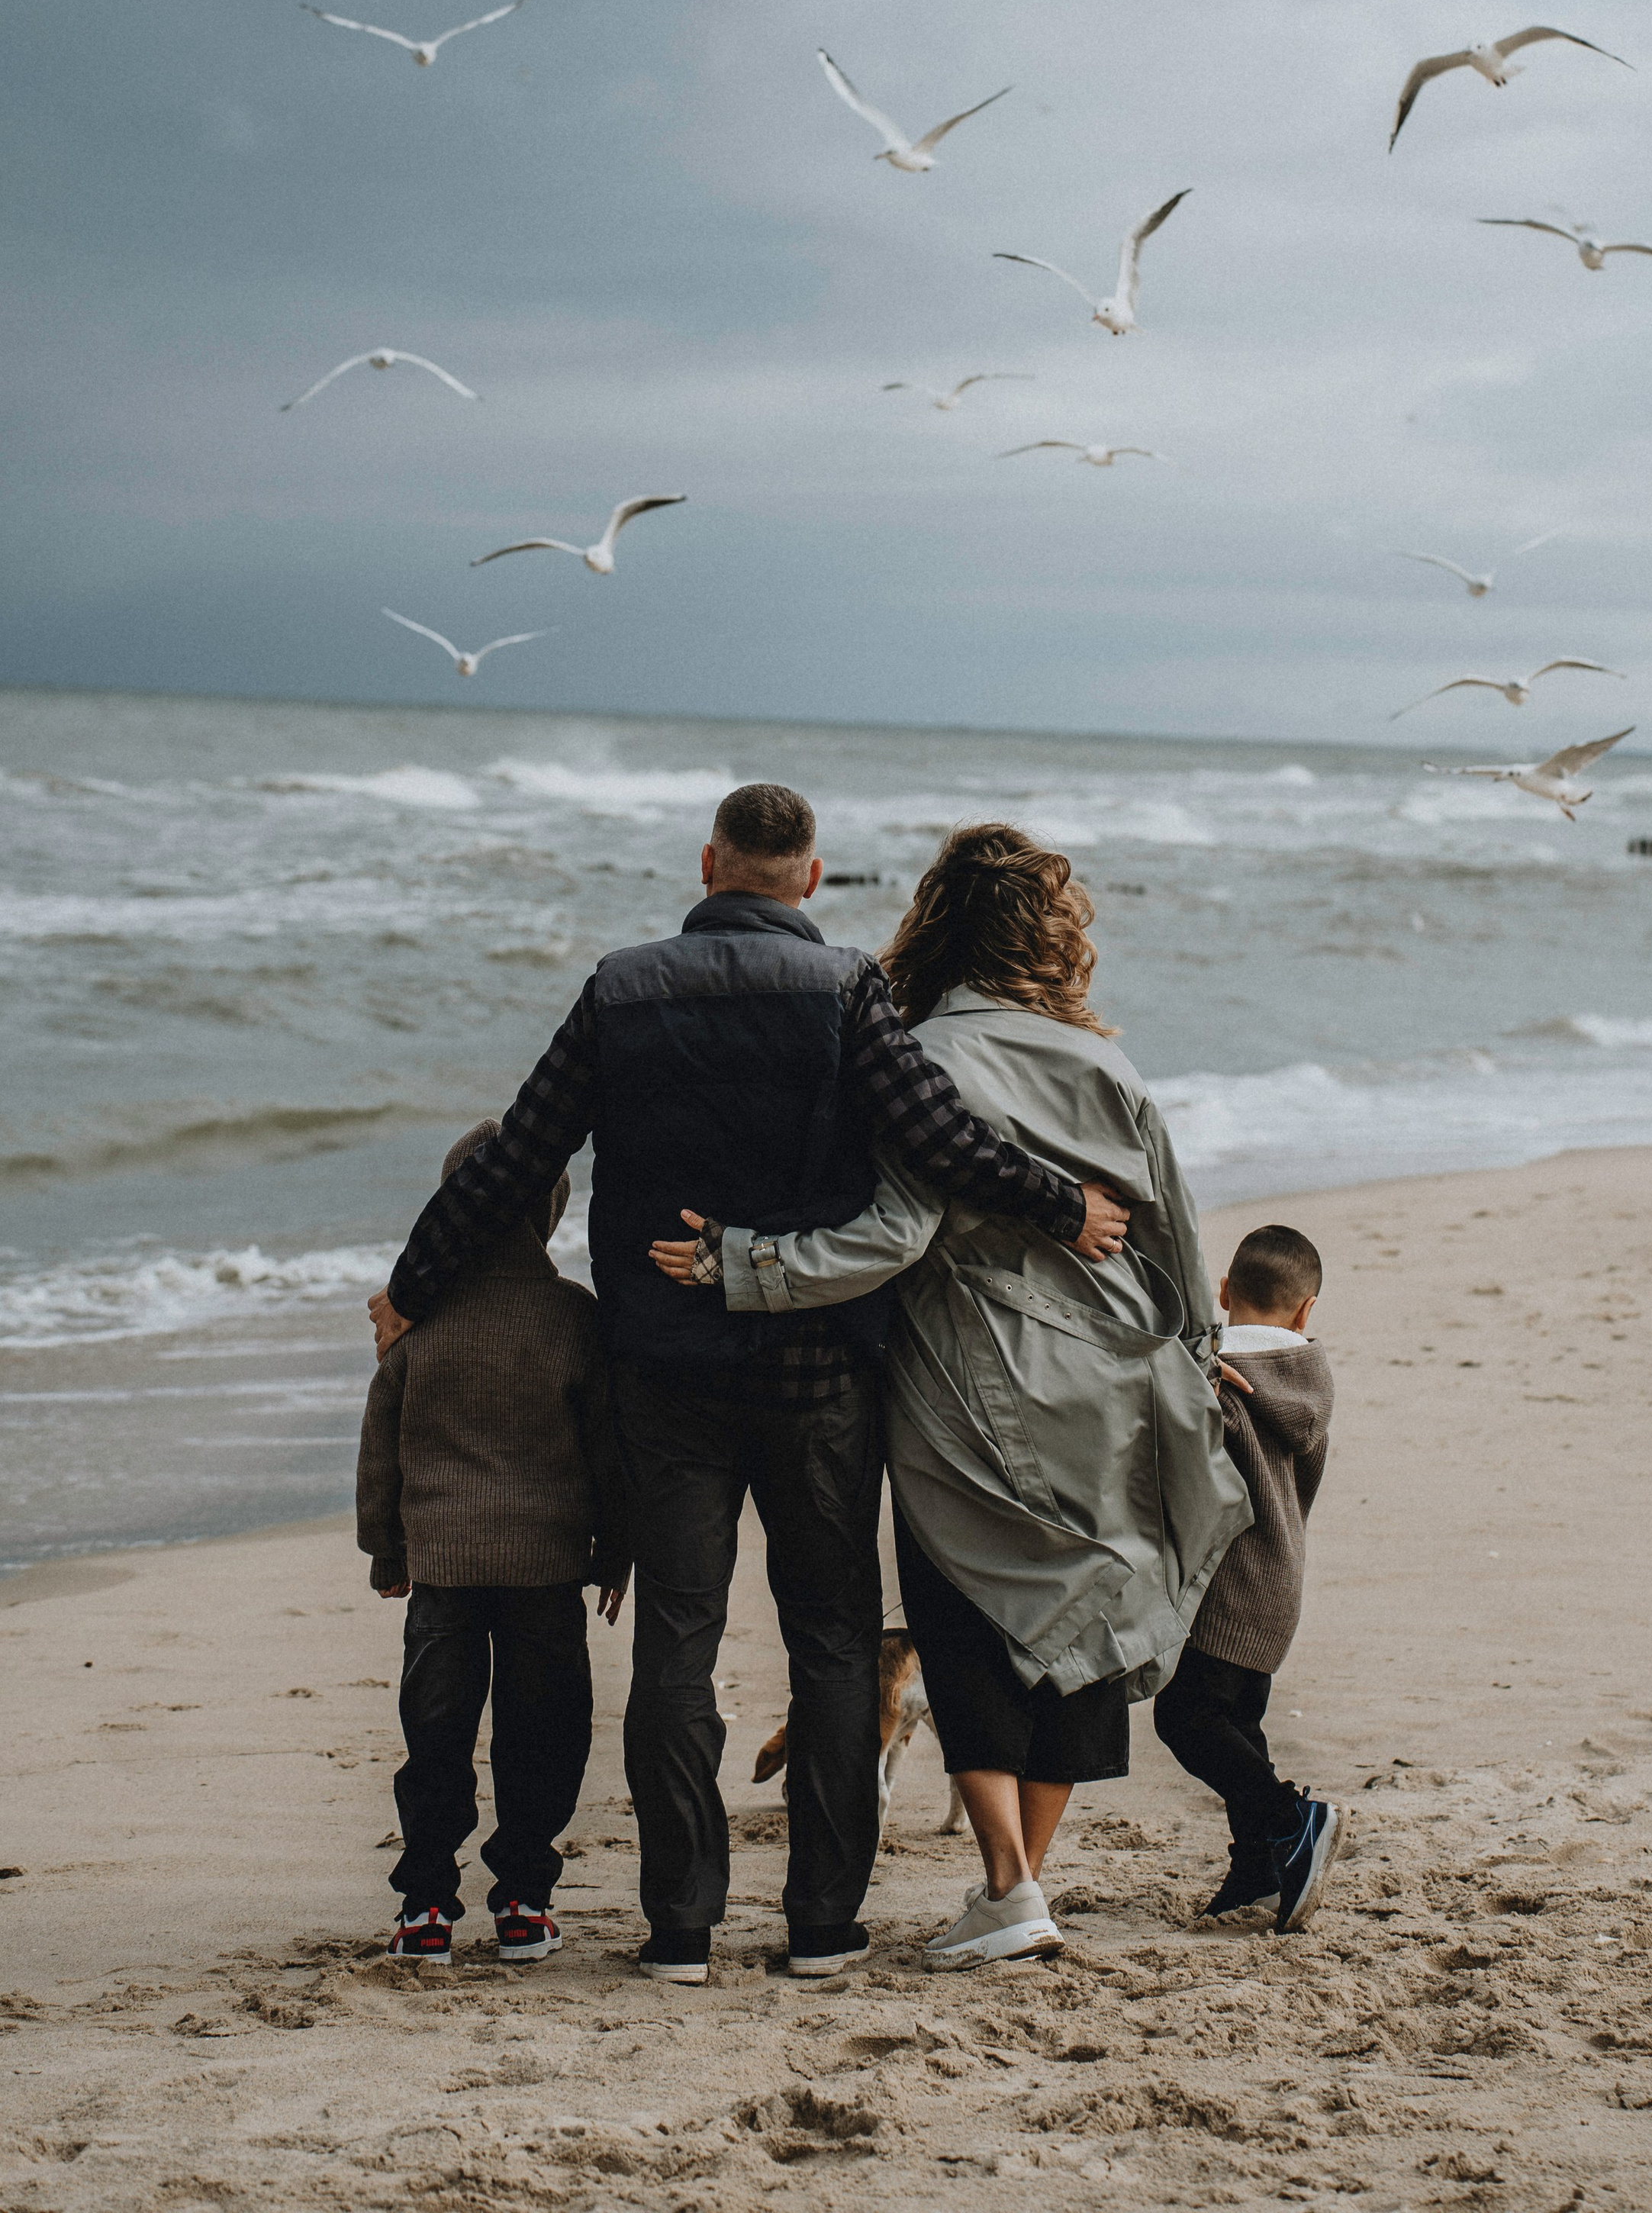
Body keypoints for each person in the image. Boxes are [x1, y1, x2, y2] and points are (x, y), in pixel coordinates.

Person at [367, 785, 1129, 1986]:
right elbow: (938, 1139)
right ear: (811, 881)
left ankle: (680, 1929)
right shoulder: (845, 992)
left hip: (663, 1374)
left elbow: (524, 1147)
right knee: (830, 1642)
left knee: (679, 1641)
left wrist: (415, 1283)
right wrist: (1061, 1202)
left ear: (711, 861)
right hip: (823, 1375)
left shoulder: (624, 988)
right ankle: (820, 1926)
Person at [658, 822, 1250, 1969]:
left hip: (975, 1380)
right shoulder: (1109, 1065)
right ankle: (1020, 1884)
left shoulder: (919, 1053)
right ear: (1051, 939)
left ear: (934, 922)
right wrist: (1191, 1352)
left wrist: (745, 1265)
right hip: (1117, 1370)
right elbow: (1175, 1233)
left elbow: (892, 1234)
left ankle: (1008, 1882)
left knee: (963, 1618)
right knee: (1083, 1615)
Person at [357, 1117, 630, 1966]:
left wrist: (386, 1549)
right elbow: (606, 1450)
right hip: (546, 1566)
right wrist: (615, 1548)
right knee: (543, 1728)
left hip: (441, 1565)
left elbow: (382, 1441)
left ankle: (427, 1906)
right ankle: (522, 1898)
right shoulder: (572, 1317)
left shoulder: (419, 1320)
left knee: (435, 1734)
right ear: (550, 1214)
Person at [1151, 1221, 1340, 1931]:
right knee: (1238, 1724)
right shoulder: (1312, 1379)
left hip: (1226, 1583)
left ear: (1223, 1291)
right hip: (1279, 1576)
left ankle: (1291, 1818)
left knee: (1185, 1717)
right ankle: (1257, 1867)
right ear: (1306, 1311)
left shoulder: (1208, 1374)